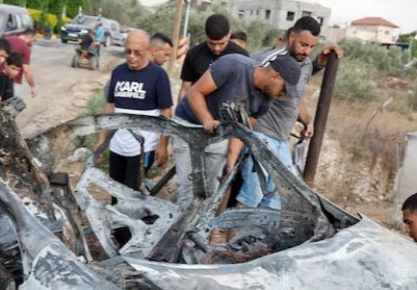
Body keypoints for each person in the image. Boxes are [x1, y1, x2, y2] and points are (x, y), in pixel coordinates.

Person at [173, 52, 299, 221]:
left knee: (208, 191)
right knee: (188, 190)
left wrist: (231, 164)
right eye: (284, 88)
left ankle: (194, 232)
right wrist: (207, 120)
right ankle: (178, 237)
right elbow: (194, 93)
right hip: (188, 127)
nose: (283, 94)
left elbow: (241, 131)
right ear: (275, 76)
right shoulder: (233, 65)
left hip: (219, 137)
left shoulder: (266, 100)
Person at [239, 17, 343, 209]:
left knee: (280, 196)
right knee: (252, 195)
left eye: (311, 47)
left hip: (282, 140)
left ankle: (254, 238)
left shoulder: (306, 65)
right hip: (261, 134)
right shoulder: (271, 60)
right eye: (303, 44)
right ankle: (228, 236)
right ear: (292, 36)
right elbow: (245, 78)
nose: (306, 51)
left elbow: (297, 97)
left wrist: (307, 121)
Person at [95, 30, 173, 191]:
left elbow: (166, 112)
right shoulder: (118, 72)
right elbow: (110, 108)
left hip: (143, 149)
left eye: (137, 52)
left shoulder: (158, 75)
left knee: (133, 192)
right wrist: (101, 139)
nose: (131, 56)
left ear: (148, 50)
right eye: (128, 51)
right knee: (116, 191)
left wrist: (163, 145)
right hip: (117, 145)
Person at [178, 13, 249, 102]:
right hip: (195, 109)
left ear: (229, 34)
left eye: (221, 43)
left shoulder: (241, 57)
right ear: (206, 35)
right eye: (211, 43)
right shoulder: (193, 54)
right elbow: (185, 89)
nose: (216, 48)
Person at [0, 27, 37, 98]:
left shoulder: (6, 39)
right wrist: (32, 86)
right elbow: (26, 70)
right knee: (11, 106)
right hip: (13, 82)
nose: (33, 42)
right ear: (30, 36)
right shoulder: (25, 48)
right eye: (34, 40)